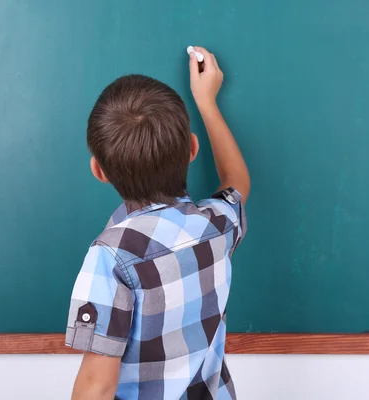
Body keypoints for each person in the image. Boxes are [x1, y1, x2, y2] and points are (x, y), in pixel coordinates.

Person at [66, 46, 250, 400]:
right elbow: (237, 183)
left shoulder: (111, 259)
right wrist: (207, 102)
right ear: (192, 149)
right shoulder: (216, 226)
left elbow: (97, 384)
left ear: (99, 171)